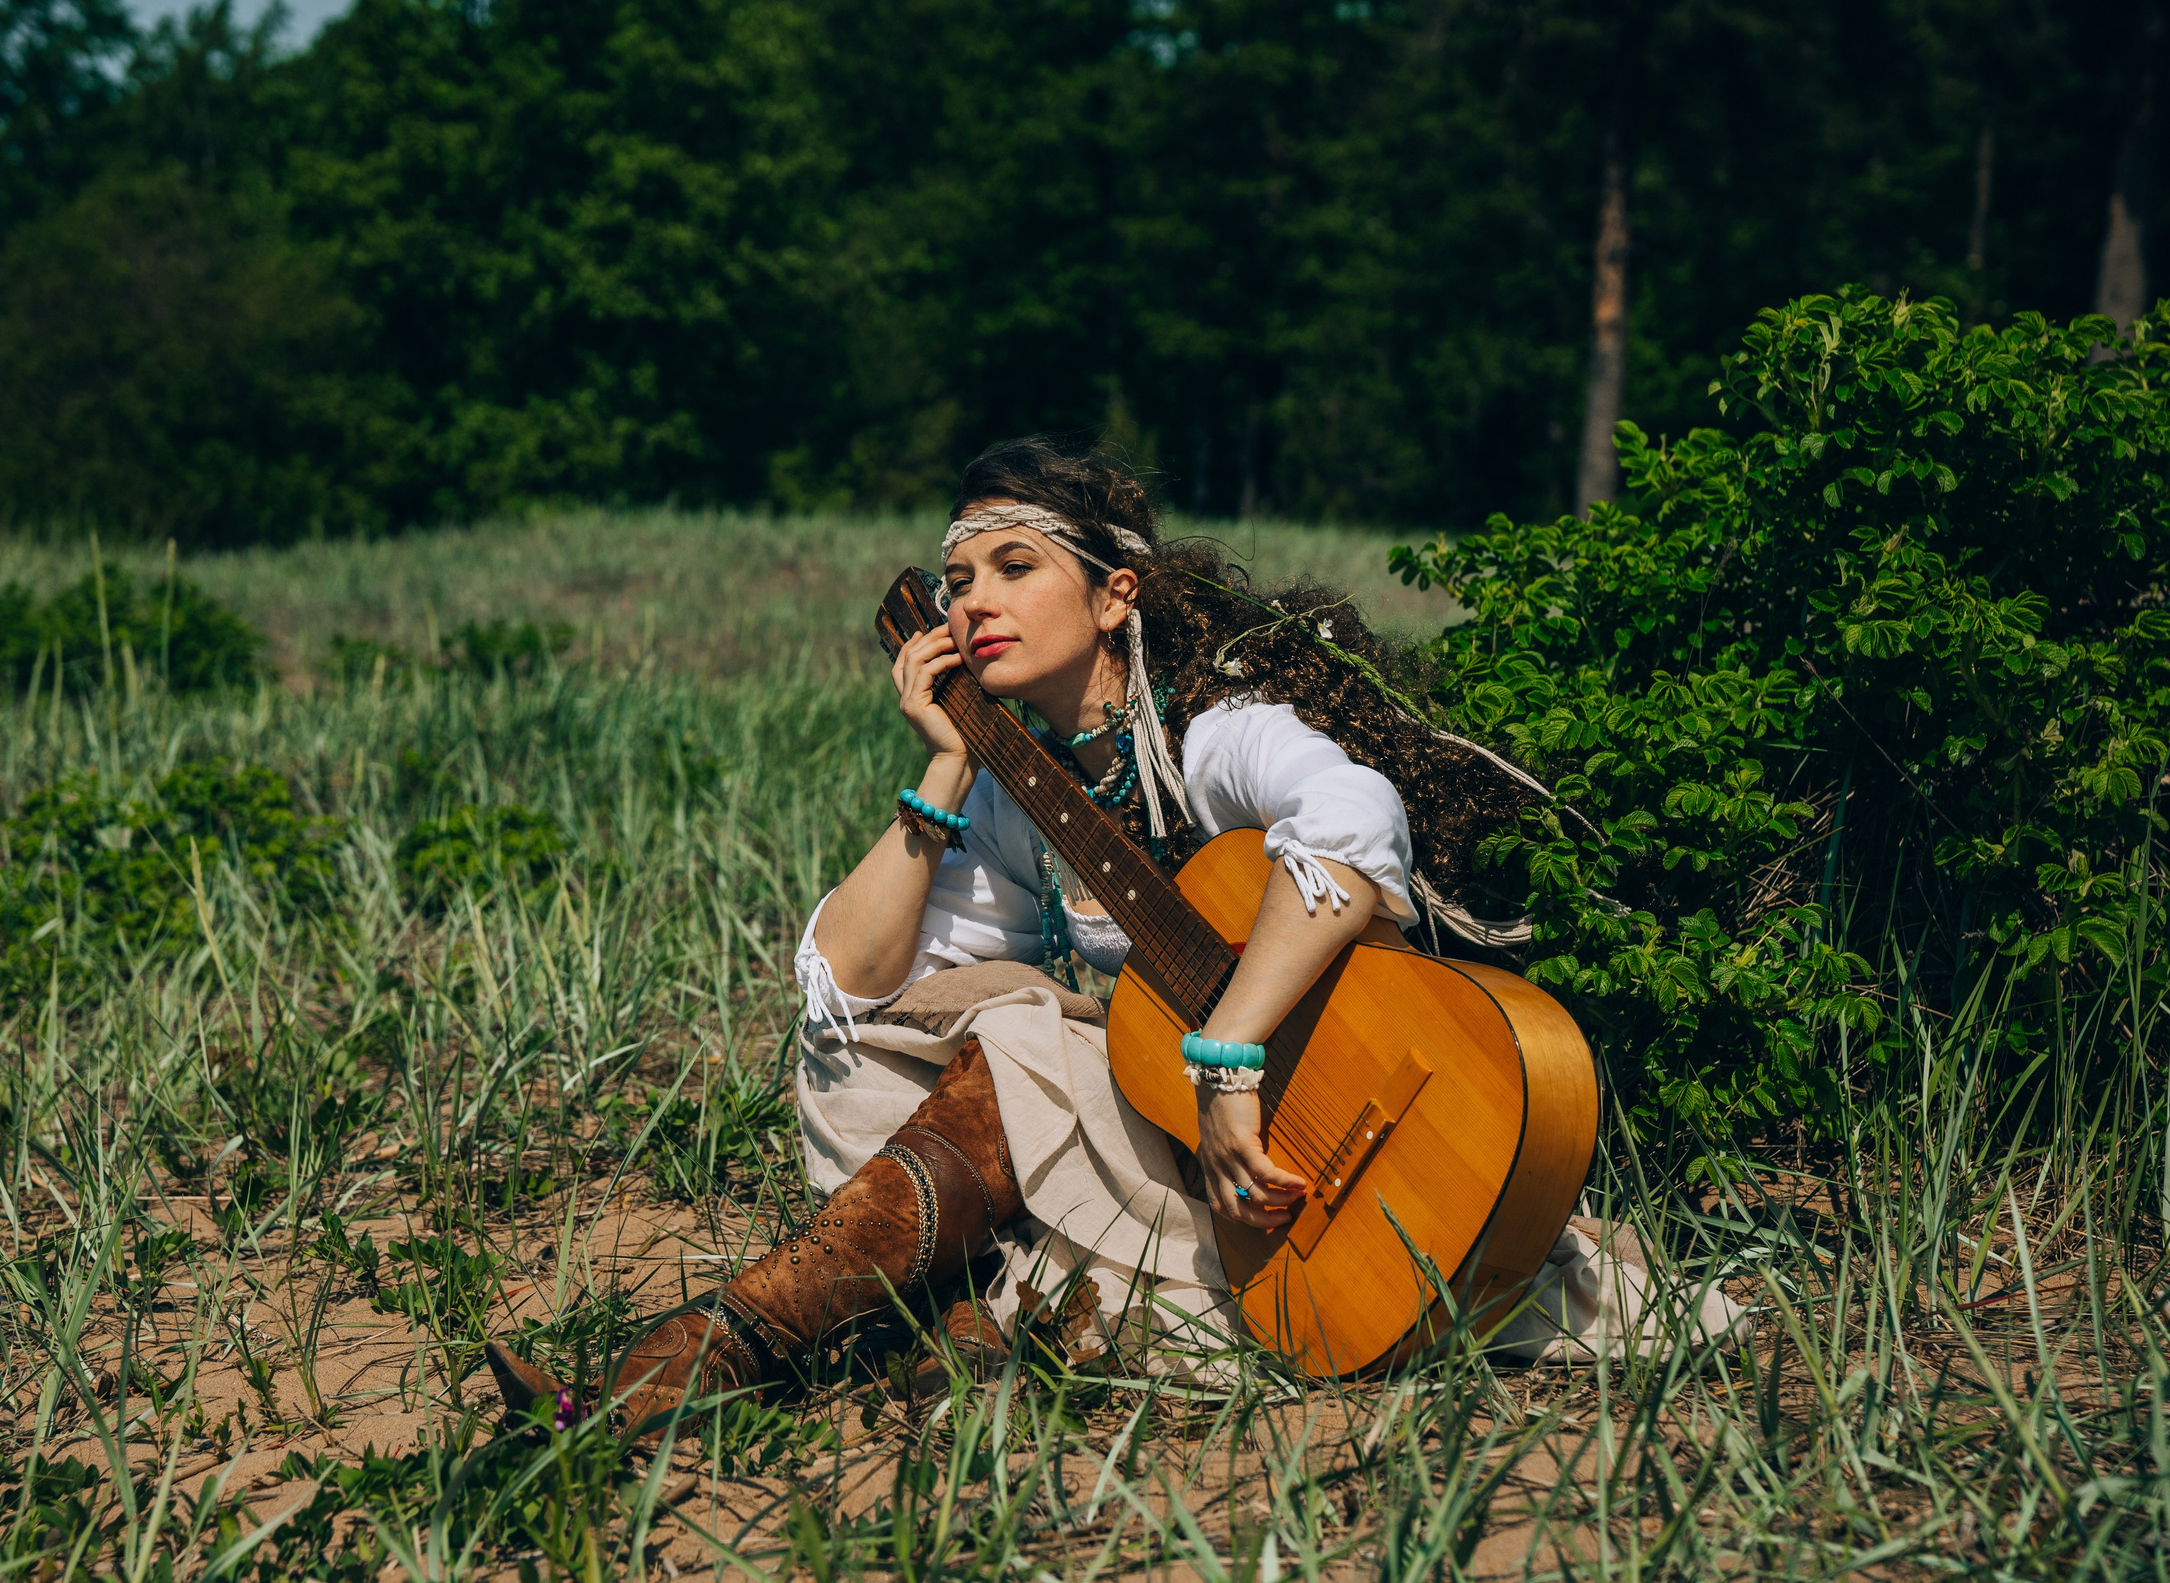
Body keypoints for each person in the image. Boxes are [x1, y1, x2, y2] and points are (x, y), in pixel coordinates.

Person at [489, 438, 1740, 1436]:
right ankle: (841, 1338)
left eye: (1014, 566)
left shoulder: (1216, 733)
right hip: (1199, 1158)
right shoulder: (1018, 797)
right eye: (958, 581)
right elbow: (850, 987)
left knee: (1028, 1042)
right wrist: (947, 765)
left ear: (1113, 594)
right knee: (869, 1053)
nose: (975, 600)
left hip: (1322, 1131)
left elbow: (1357, 825)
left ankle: (735, 1353)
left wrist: (1229, 1057)